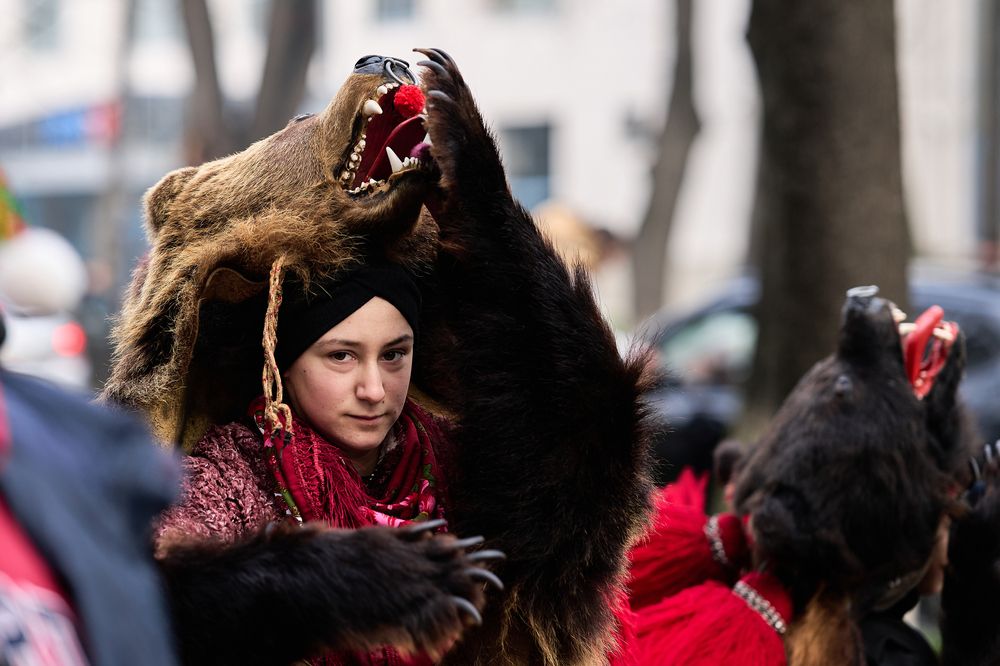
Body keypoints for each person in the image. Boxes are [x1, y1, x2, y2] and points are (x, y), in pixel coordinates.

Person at [106, 49, 653, 665]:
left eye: (394, 354)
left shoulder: (452, 459)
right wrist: (313, 580)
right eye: (341, 356)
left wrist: (493, 217)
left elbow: (590, 476)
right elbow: (150, 607)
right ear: (279, 361)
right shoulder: (225, 477)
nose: (374, 388)